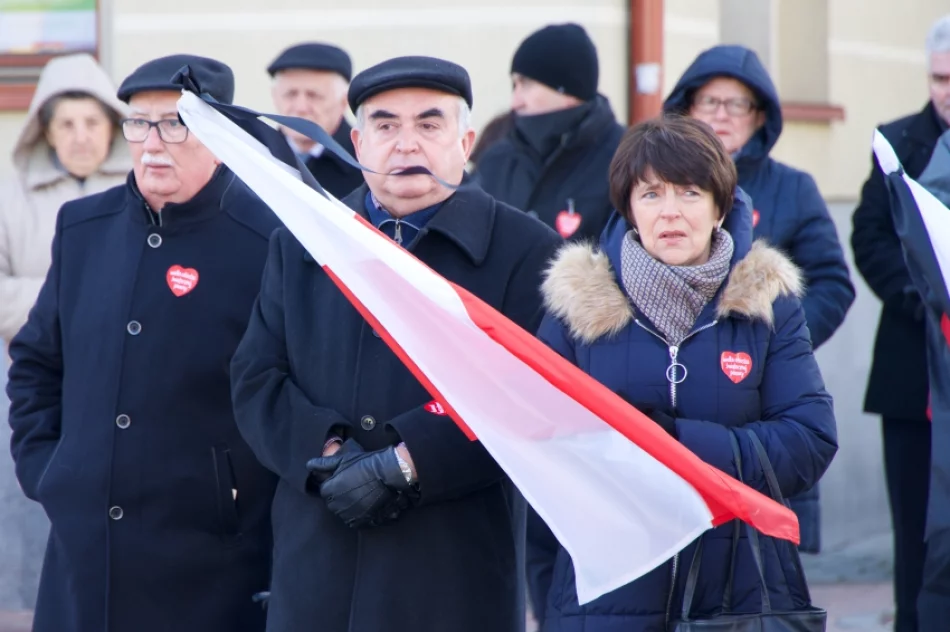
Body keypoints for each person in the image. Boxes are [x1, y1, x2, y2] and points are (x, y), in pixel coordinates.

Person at [230, 55, 561, 632]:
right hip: (321, 562)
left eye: (429, 125)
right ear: (357, 142)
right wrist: (330, 453)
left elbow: (529, 397)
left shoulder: (523, 250)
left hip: (451, 568)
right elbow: (257, 377)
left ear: (465, 141)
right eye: (385, 126)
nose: (406, 144)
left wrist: (409, 462)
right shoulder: (304, 241)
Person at [527, 115, 837, 630]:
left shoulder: (765, 303)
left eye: (690, 193)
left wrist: (675, 442)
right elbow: (538, 446)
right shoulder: (577, 307)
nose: (670, 212)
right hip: (606, 598)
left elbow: (809, 441)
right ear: (628, 207)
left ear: (720, 206)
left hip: (737, 592)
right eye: (650, 195)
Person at [6, 54, 281, 632]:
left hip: (212, 556)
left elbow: (283, 386)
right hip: (86, 549)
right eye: (138, 122)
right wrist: (49, 469)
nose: (153, 143)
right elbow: (35, 362)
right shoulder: (83, 228)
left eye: (177, 123)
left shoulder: (268, 240)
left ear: (220, 133)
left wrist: (231, 496)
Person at [663, 44, 854, 553]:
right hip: (676, 394)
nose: (722, 115)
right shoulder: (656, 187)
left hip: (759, 399)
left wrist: (777, 343)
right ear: (686, 108)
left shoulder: (793, 189)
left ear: (760, 116)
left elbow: (832, 282)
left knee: (761, 554)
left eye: (737, 104)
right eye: (709, 102)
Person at [851, 15, 950, 632]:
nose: (948, 91)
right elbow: (871, 237)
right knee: (914, 526)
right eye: (940, 78)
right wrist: (929, 299)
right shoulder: (896, 143)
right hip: (914, 373)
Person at [0, 53, 130, 351]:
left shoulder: (142, 190)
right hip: (35, 372)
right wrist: (71, 296)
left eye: (92, 123)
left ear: (112, 128)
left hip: (125, 371)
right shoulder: (9, 199)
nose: (80, 137)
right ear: (47, 132)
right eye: (67, 125)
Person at [474, 23, 625, 241]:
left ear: (566, 89)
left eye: (525, 85)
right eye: (514, 86)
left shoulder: (623, 161)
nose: (515, 101)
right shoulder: (497, 161)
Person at [268, 42, 364, 198]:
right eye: (290, 94)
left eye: (314, 95)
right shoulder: (254, 153)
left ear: (343, 102)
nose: (300, 107)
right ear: (275, 97)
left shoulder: (366, 164)